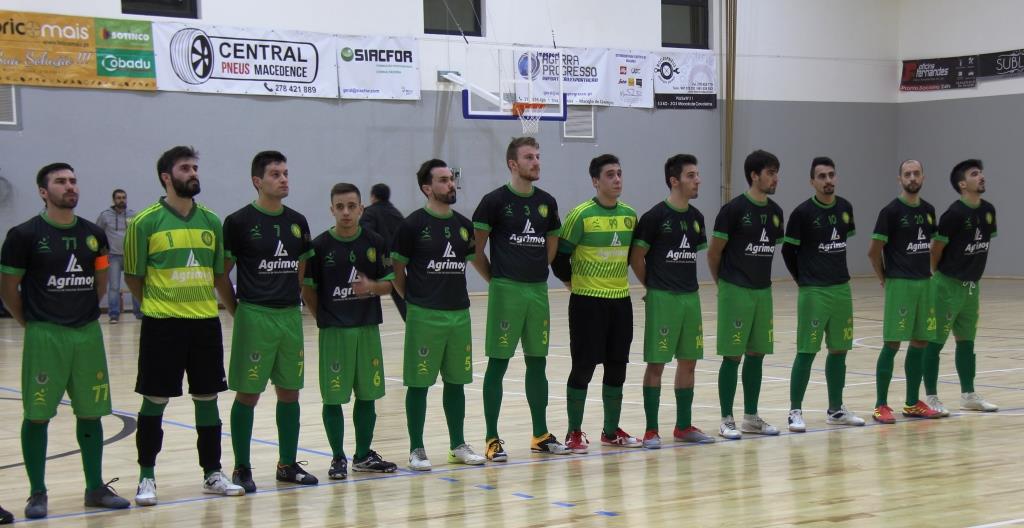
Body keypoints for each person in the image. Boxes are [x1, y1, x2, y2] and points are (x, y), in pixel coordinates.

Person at [0, 163, 130, 519]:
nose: (70, 186)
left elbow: (101, 283)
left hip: (86, 335)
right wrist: (31, 322)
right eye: (61, 182)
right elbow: (8, 289)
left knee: (91, 413)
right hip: (45, 335)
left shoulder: (93, 234)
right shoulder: (23, 235)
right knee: (38, 415)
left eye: (73, 180)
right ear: (43, 192)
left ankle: (95, 488)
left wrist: (83, 310)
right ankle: (37, 493)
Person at [124, 146, 244, 505]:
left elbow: (219, 274)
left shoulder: (210, 221)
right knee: (155, 400)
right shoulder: (144, 222)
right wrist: (158, 304)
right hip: (162, 325)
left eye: (195, 167)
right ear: (166, 177)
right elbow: (134, 277)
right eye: (185, 168)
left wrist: (234, 313)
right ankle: (146, 477)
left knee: (207, 399)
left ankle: (212, 473)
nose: (193, 173)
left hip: (205, 323)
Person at [221, 151, 317, 492]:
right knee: (248, 393)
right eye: (275, 174)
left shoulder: (297, 222)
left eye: (286, 173)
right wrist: (238, 311)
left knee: (290, 392)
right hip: (254, 315)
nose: (283, 179)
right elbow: (221, 274)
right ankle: (242, 467)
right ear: (257, 181)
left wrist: (293, 300)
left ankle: (287, 464)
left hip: (289, 316)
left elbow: (301, 271)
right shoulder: (238, 222)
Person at [471, 137, 570, 461]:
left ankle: (540, 434)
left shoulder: (547, 202)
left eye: (538, 156)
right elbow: (475, 249)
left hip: (537, 291)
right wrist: (495, 279)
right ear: (513, 164)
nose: (536, 161)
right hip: (506, 291)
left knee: (537, 362)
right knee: (498, 363)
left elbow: (552, 242)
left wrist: (539, 268)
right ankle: (492, 438)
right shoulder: (494, 201)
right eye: (529, 157)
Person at [392, 159, 486, 470]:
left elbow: (473, 260)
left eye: (451, 179)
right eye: (443, 180)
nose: (451, 184)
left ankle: (457, 445)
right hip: (424, 315)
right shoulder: (412, 225)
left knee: (456, 382)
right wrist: (415, 300)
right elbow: (397, 272)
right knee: (419, 383)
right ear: (427, 188)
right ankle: (416, 449)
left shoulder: (463, 225)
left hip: (459, 314)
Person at [302, 183, 399, 479]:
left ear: (361, 209)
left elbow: (390, 283)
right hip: (335, 332)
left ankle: (362, 455)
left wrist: (371, 287)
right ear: (331, 210)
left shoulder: (375, 242)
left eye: (351, 206)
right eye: (340, 207)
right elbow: (308, 291)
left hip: (367, 329)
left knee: (368, 395)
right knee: (333, 398)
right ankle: (337, 458)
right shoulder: (319, 247)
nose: (346, 212)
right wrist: (326, 318)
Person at [552, 154, 641, 452]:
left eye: (619, 173)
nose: (617, 179)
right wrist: (573, 284)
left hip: (621, 302)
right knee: (583, 368)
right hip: (587, 304)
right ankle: (574, 432)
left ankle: (610, 431)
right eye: (610, 174)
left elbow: (629, 256)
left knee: (617, 368)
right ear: (595, 181)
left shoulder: (630, 215)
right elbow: (560, 257)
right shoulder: (581, 215)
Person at [630, 154, 716, 448]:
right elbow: (636, 258)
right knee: (657, 364)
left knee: (689, 362)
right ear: (674, 180)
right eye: (691, 175)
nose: (698, 180)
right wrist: (653, 286)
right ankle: (651, 430)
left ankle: (683, 426)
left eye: (697, 174)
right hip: (663, 299)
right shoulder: (654, 217)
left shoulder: (696, 218)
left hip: (690, 298)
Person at [782, 157, 865, 432]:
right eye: (822, 176)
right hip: (814, 290)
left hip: (841, 288)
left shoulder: (845, 208)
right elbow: (788, 251)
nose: (828, 180)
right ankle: (795, 411)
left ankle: (836, 409)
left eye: (831, 175)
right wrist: (803, 279)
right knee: (807, 351)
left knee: (839, 350)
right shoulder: (802, 213)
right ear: (812, 182)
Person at [707, 149, 785, 440]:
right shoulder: (733, 210)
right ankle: (726, 418)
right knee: (732, 355)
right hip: (735, 289)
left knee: (757, 353)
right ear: (754, 175)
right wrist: (724, 285)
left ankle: (751, 417)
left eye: (776, 172)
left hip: (763, 291)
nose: (775, 178)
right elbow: (714, 254)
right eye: (770, 173)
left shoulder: (776, 213)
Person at [867, 159, 941, 423]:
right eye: (907, 174)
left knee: (920, 342)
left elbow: (932, 245)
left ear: (923, 177)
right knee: (892, 343)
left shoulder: (929, 210)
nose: (912, 178)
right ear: (899, 179)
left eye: (916, 173)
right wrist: (884, 279)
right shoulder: (890, 211)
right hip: (900, 284)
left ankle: (912, 403)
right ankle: (880, 405)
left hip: (924, 283)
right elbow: (873, 252)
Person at [923, 159, 998, 414]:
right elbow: (936, 249)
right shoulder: (953, 215)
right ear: (962, 184)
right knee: (935, 342)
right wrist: (940, 277)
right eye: (975, 174)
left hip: (971, 288)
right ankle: (931, 397)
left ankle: (968, 394)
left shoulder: (988, 211)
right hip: (946, 286)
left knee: (966, 342)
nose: (981, 176)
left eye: (981, 172)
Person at [360, 183, 407, 320]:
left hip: (378, 261)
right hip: (396, 262)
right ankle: (413, 324)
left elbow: (364, 235)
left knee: (365, 292)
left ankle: (362, 319)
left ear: (373, 196)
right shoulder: (396, 213)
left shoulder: (369, 212)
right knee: (402, 297)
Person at [95, 188, 139, 323]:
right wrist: (102, 251)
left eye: (124, 197)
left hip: (131, 256)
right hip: (113, 256)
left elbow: (139, 232)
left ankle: (140, 313)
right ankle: (114, 315)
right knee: (114, 287)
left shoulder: (133, 215)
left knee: (135, 285)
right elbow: (97, 233)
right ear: (114, 200)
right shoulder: (105, 215)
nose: (122, 200)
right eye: (119, 198)